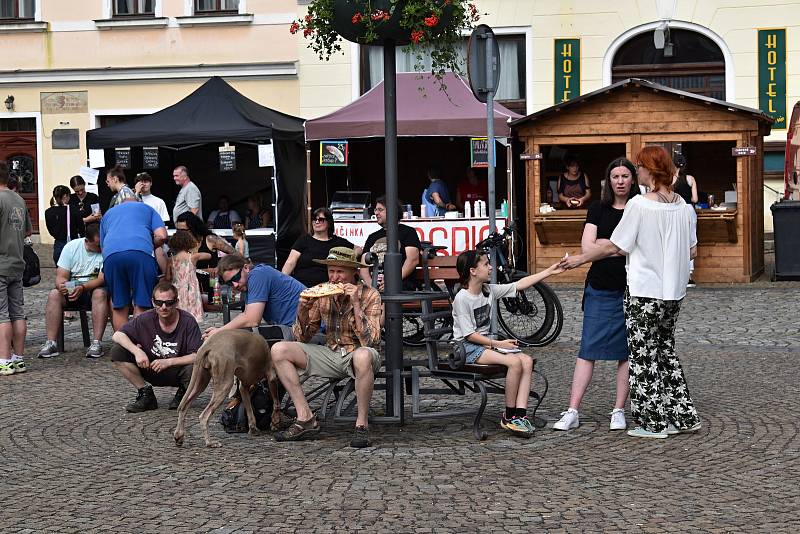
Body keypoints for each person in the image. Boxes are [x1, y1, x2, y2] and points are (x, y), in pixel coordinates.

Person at [560, 145, 701, 439]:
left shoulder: (640, 205)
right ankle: (683, 418)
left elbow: (616, 245)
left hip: (644, 292)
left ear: (650, 170)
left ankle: (653, 424)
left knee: (643, 356)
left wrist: (578, 259)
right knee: (666, 353)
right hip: (673, 293)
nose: (637, 172)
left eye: (639, 167)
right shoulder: (682, 207)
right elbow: (692, 250)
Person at [552, 157, 639, 432]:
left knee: (626, 352)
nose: (621, 181)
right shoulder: (597, 208)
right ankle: (573, 409)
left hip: (632, 289)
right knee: (587, 349)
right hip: (600, 287)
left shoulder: (639, 209)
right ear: (608, 180)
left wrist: (605, 244)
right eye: (616, 177)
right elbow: (587, 246)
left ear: (633, 179)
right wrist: (615, 246)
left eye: (625, 176)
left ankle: (618, 410)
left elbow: (633, 247)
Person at [271, 247, 382, 448]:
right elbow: (302, 337)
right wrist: (302, 310)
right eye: (331, 271)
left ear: (353, 272)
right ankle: (305, 417)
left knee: (363, 356)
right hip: (331, 353)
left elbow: (371, 340)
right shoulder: (322, 292)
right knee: (279, 349)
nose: (334, 277)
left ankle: (361, 425)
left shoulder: (370, 294)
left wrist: (356, 303)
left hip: (358, 352)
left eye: (340, 272)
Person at [452, 250, 564, 436]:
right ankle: (509, 416)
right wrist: (499, 344)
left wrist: (549, 271)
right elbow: (469, 335)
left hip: (485, 345)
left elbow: (518, 285)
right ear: (473, 270)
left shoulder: (488, 290)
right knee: (513, 362)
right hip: (466, 348)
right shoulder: (462, 298)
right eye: (486, 264)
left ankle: (521, 414)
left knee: (526, 361)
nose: (490, 267)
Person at [111, 280, 201, 413]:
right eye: (159, 303)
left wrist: (169, 362)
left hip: (179, 371)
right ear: (153, 302)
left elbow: (198, 355)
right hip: (150, 367)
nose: (163, 307)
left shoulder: (188, 321)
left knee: (199, 366)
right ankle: (145, 393)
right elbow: (117, 335)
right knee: (117, 351)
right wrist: (137, 352)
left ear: (176, 302)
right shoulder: (145, 318)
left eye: (169, 303)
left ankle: (184, 392)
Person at [37, 223, 109, 359]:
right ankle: (51, 343)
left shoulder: (106, 250)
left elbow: (102, 279)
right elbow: (60, 276)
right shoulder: (71, 247)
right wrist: (62, 286)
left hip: (93, 290)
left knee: (100, 293)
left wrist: (83, 288)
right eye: (98, 245)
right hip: (73, 289)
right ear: (87, 241)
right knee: (54, 294)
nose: (101, 248)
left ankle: (96, 342)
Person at [100, 196, 167, 331]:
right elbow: (162, 236)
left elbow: (103, 246)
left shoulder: (108, 214)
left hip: (112, 257)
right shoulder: (147, 209)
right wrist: (149, 243)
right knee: (142, 303)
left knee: (119, 305)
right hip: (140, 254)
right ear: (138, 201)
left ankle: (124, 347)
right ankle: (139, 344)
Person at [204, 254, 306, 338]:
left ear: (246, 268)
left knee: (241, 339)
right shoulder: (252, 278)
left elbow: (252, 320)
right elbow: (246, 315)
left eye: (236, 277)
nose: (235, 285)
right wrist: (220, 330)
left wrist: (219, 331)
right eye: (230, 283)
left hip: (307, 331)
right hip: (295, 327)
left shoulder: (257, 275)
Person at [0, 161, 32, 376]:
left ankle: (3, 361)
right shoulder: (19, 199)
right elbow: (28, 232)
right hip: (17, 263)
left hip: (0, 264)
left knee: (2, 316)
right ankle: (18, 359)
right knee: (18, 313)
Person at [360, 195, 421, 291]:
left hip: (401, 283)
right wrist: (371, 285)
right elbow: (363, 265)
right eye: (375, 210)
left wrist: (393, 281)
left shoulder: (408, 232)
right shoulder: (372, 237)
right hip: (375, 284)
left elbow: (412, 260)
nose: (376, 213)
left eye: (380, 210)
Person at [282, 207, 354, 288]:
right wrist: (281, 282)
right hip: (300, 287)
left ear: (329, 222)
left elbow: (357, 249)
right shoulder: (304, 240)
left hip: (327, 288)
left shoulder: (338, 242)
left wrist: (351, 256)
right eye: (314, 219)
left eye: (321, 219)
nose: (316, 222)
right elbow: (290, 262)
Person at [175, 211, 235, 307]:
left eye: (183, 231)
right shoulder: (180, 244)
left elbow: (234, 254)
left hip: (211, 288)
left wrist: (220, 267)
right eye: (178, 230)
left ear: (193, 228)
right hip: (190, 292)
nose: (180, 234)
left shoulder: (210, 239)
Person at [167, 230, 205, 323]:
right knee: (192, 314)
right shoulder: (193, 257)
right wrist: (195, 250)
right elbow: (208, 256)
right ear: (189, 242)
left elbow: (168, 277)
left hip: (177, 288)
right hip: (191, 288)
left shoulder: (171, 259)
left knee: (178, 313)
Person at [673, 154, 699, 287]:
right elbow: (695, 199)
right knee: (691, 241)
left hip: (675, 210)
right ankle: (689, 276)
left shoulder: (669, 180)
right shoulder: (690, 179)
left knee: (675, 241)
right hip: (689, 210)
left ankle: (676, 274)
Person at [44, 185, 85, 264]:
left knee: (61, 273)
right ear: (65, 196)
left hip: (58, 245)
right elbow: (81, 228)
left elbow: (51, 230)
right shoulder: (74, 210)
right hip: (73, 244)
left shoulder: (48, 212)